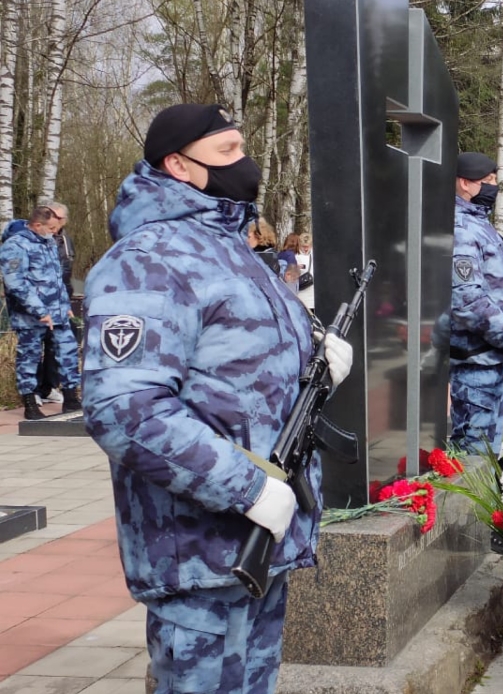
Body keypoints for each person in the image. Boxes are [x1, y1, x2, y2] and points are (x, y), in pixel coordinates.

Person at [82, 103, 353, 694]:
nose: (246, 163)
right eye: (227, 151)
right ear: (178, 165)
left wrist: (317, 364)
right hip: (203, 549)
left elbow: (239, 373)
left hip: (256, 543)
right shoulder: (149, 260)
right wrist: (249, 487)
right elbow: (124, 409)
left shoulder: (228, 248)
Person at [444, 150, 503, 454]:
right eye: (488, 181)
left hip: (493, 361)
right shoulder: (460, 228)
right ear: (465, 184)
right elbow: (467, 300)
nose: (494, 187)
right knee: (474, 459)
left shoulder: (479, 224)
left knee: (489, 456)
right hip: (476, 365)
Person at [1, 205, 81, 419]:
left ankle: (71, 397)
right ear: (37, 225)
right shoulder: (15, 246)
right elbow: (16, 282)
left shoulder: (48, 243)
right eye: (52, 227)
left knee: (68, 350)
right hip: (30, 316)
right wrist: (39, 310)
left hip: (58, 312)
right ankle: (30, 402)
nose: (55, 231)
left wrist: (65, 306)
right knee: (30, 356)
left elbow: (57, 278)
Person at [33, 201, 76, 405]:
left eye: (60, 219)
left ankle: (50, 387)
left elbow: (64, 271)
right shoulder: (31, 238)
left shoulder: (64, 239)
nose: (57, 223)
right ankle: (32, 390)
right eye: (53, 218)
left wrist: (65, 299)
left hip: (60, 299)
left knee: (58, 346)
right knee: (33, 346)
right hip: (36, 303)